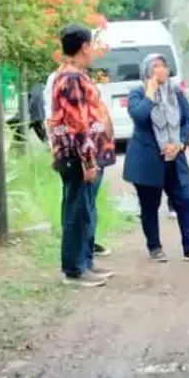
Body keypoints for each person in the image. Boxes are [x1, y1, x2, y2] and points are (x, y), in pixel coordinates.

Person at [123, 54, 189, 263]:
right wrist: (150, 92)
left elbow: (186, 120)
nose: (161, 70)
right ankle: (154, 247)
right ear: (147, 72)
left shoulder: (175, 91)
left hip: (175, 157)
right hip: (148, 160)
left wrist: (181, 143)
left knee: (185, 199)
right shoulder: (137, 93)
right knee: (150, 205)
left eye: (163, 66)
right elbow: (139, 116)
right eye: (155, 67)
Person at [48, 25, 117, 286]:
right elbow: (78, 123)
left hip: (84, 154)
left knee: (85, 209)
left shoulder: (74, 75)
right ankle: (75, 269)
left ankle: (85, 263)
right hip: (78, 156)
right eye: (93, 45)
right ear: (85, 47)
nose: (95, 50)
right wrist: (88, 160)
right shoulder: (72, 78)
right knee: (77, 211)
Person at [31, 65, 111, 257]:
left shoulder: (79, 77)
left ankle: (86, 253)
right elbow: (65, 120)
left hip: (91, 150)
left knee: (86, 204)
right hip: (76, 153)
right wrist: (85, 159)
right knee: (78, 207)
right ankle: (77, 262)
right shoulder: (67, 79)